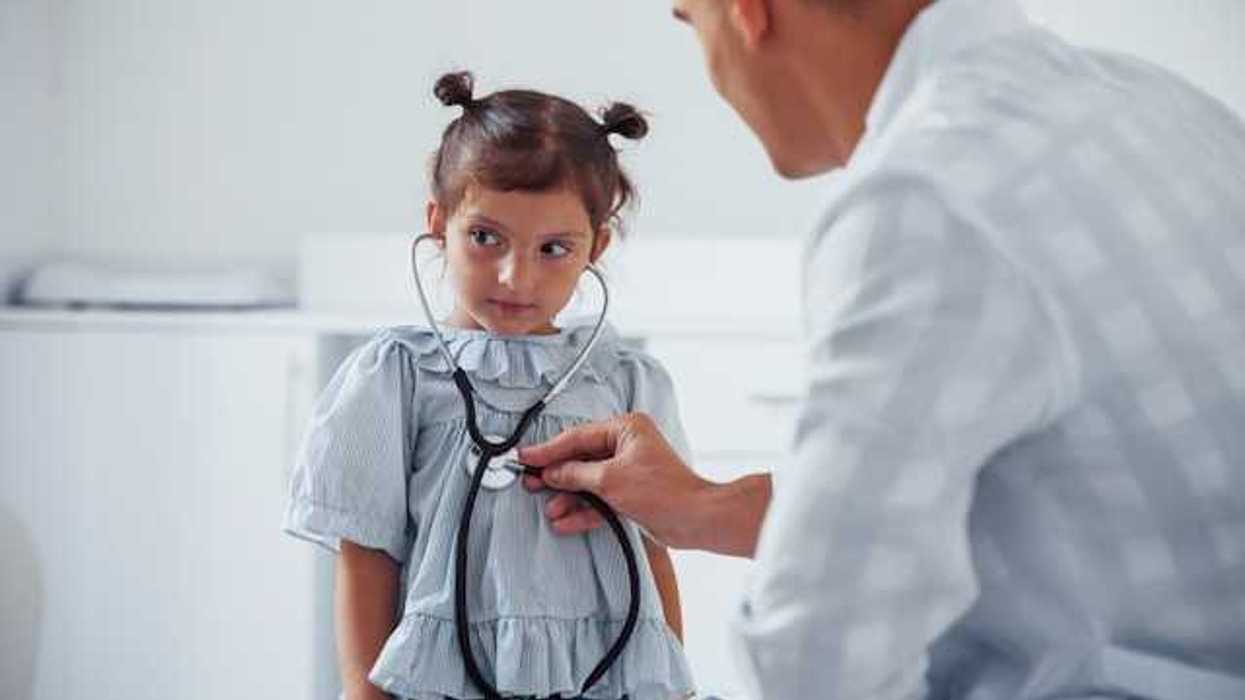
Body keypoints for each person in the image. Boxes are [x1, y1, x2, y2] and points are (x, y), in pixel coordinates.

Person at [518, 0, 1245, 698]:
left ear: (748, 9)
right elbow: (1044, 516)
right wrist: (707, 506)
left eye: (691, 19)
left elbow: (815, 667)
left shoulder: (926, 194)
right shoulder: (1162, 107)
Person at [282, 71, 695, 700]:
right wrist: (362, 692)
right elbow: (368, 553)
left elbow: (653, 548)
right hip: (444, 674)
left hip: (598, 673)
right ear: (437, 221)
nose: (515, 276)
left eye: (554, 248)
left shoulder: (623, 379)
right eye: (484, 238)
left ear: (597, 247)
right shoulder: (397, 375)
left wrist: (675, 687)